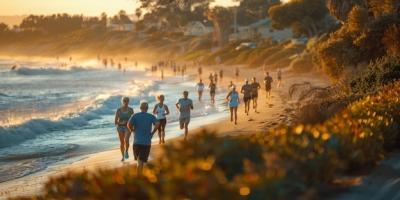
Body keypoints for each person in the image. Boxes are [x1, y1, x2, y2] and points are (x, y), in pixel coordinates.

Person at [128, 101, 160, 175]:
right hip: (146, 143)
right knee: (141, 162)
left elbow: (128, 124)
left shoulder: (135, 115)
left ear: (140, 108)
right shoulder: (151, 116)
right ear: (147, 108)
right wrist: (152, 133)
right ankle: (139, 177)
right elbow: (157, 124)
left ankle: (139, 176)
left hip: (136, 142)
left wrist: (132, 131)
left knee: (139, 161)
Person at [114, 97, 134, 162]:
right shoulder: (118, 110)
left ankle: (126, 151)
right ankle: (123, 157)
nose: (126, 102)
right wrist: (121, 122)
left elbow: (133, 120)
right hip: (120, 127)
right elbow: (115, 122)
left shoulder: (131, 110)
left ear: (128, 101)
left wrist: (130, 124)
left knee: (126, 140)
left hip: (128, 127)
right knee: (122, 142)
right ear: (122, 102)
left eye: (127, 101)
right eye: (124, 101)